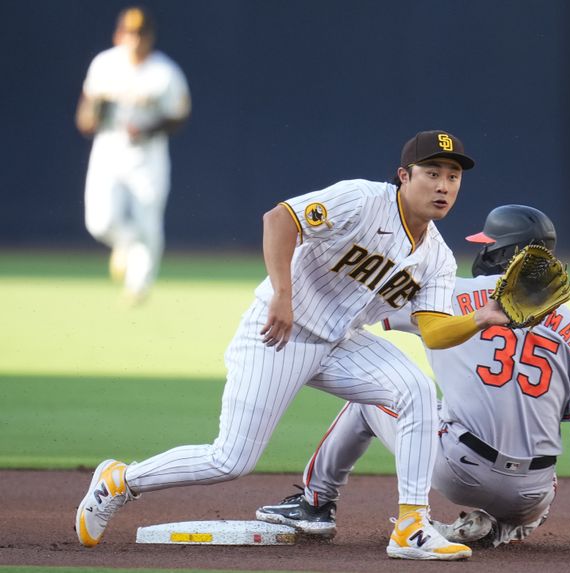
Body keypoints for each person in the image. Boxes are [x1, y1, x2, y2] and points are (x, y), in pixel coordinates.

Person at [75, 130, 516, 561]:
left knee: (416, 389)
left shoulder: (437, 257)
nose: (443, 185)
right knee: (230, 460)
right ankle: (121, 480)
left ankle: (411, 526)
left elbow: (434, 330)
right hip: (278, 333)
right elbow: (279, 219)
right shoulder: (363, 200)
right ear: (404, 175)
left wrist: (481, 318)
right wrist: (282, 295)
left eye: (453, 177)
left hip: (340, 343)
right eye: (432, 173)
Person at [254, 205, 570, 554]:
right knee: (517, 436)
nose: (480, 250)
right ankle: (500, 525)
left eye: (487, 244)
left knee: (372, 394)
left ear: (502, 251)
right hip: (532, 495)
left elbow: (368, 314)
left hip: (459, 471)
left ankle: (315, 502)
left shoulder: (448, 295)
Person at [75, 6, 191, 304]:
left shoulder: (164, 72)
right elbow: (85, 116)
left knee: (148, 221)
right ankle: (125, 246)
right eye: (129, 32)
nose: (134, 39)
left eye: (140, 33)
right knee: (99, 221)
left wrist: (150, 129)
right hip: (109, 149)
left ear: (150, 37)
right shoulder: (104, 66)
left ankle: (138, 285)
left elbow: (179, 114)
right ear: (118, 34)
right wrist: (94, 113)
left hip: (147, 155)